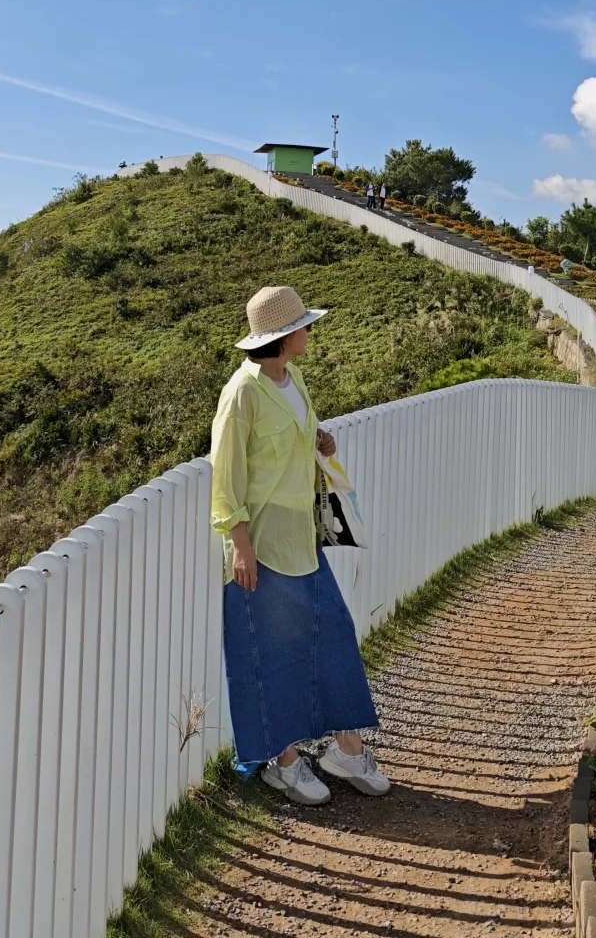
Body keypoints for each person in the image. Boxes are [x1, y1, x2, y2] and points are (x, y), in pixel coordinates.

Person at [210, 285, 389, 805]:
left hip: (301, 539)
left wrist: (320, 440)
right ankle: (283, 761)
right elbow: (226, 475)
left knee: (332, 632)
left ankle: (346, 751)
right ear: (285, 336)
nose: (311, 331)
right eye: (304, 325)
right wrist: (239, 544)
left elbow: (295, 435)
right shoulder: (241, 393)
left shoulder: (294, 379)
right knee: (269, 651)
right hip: (261, 545)